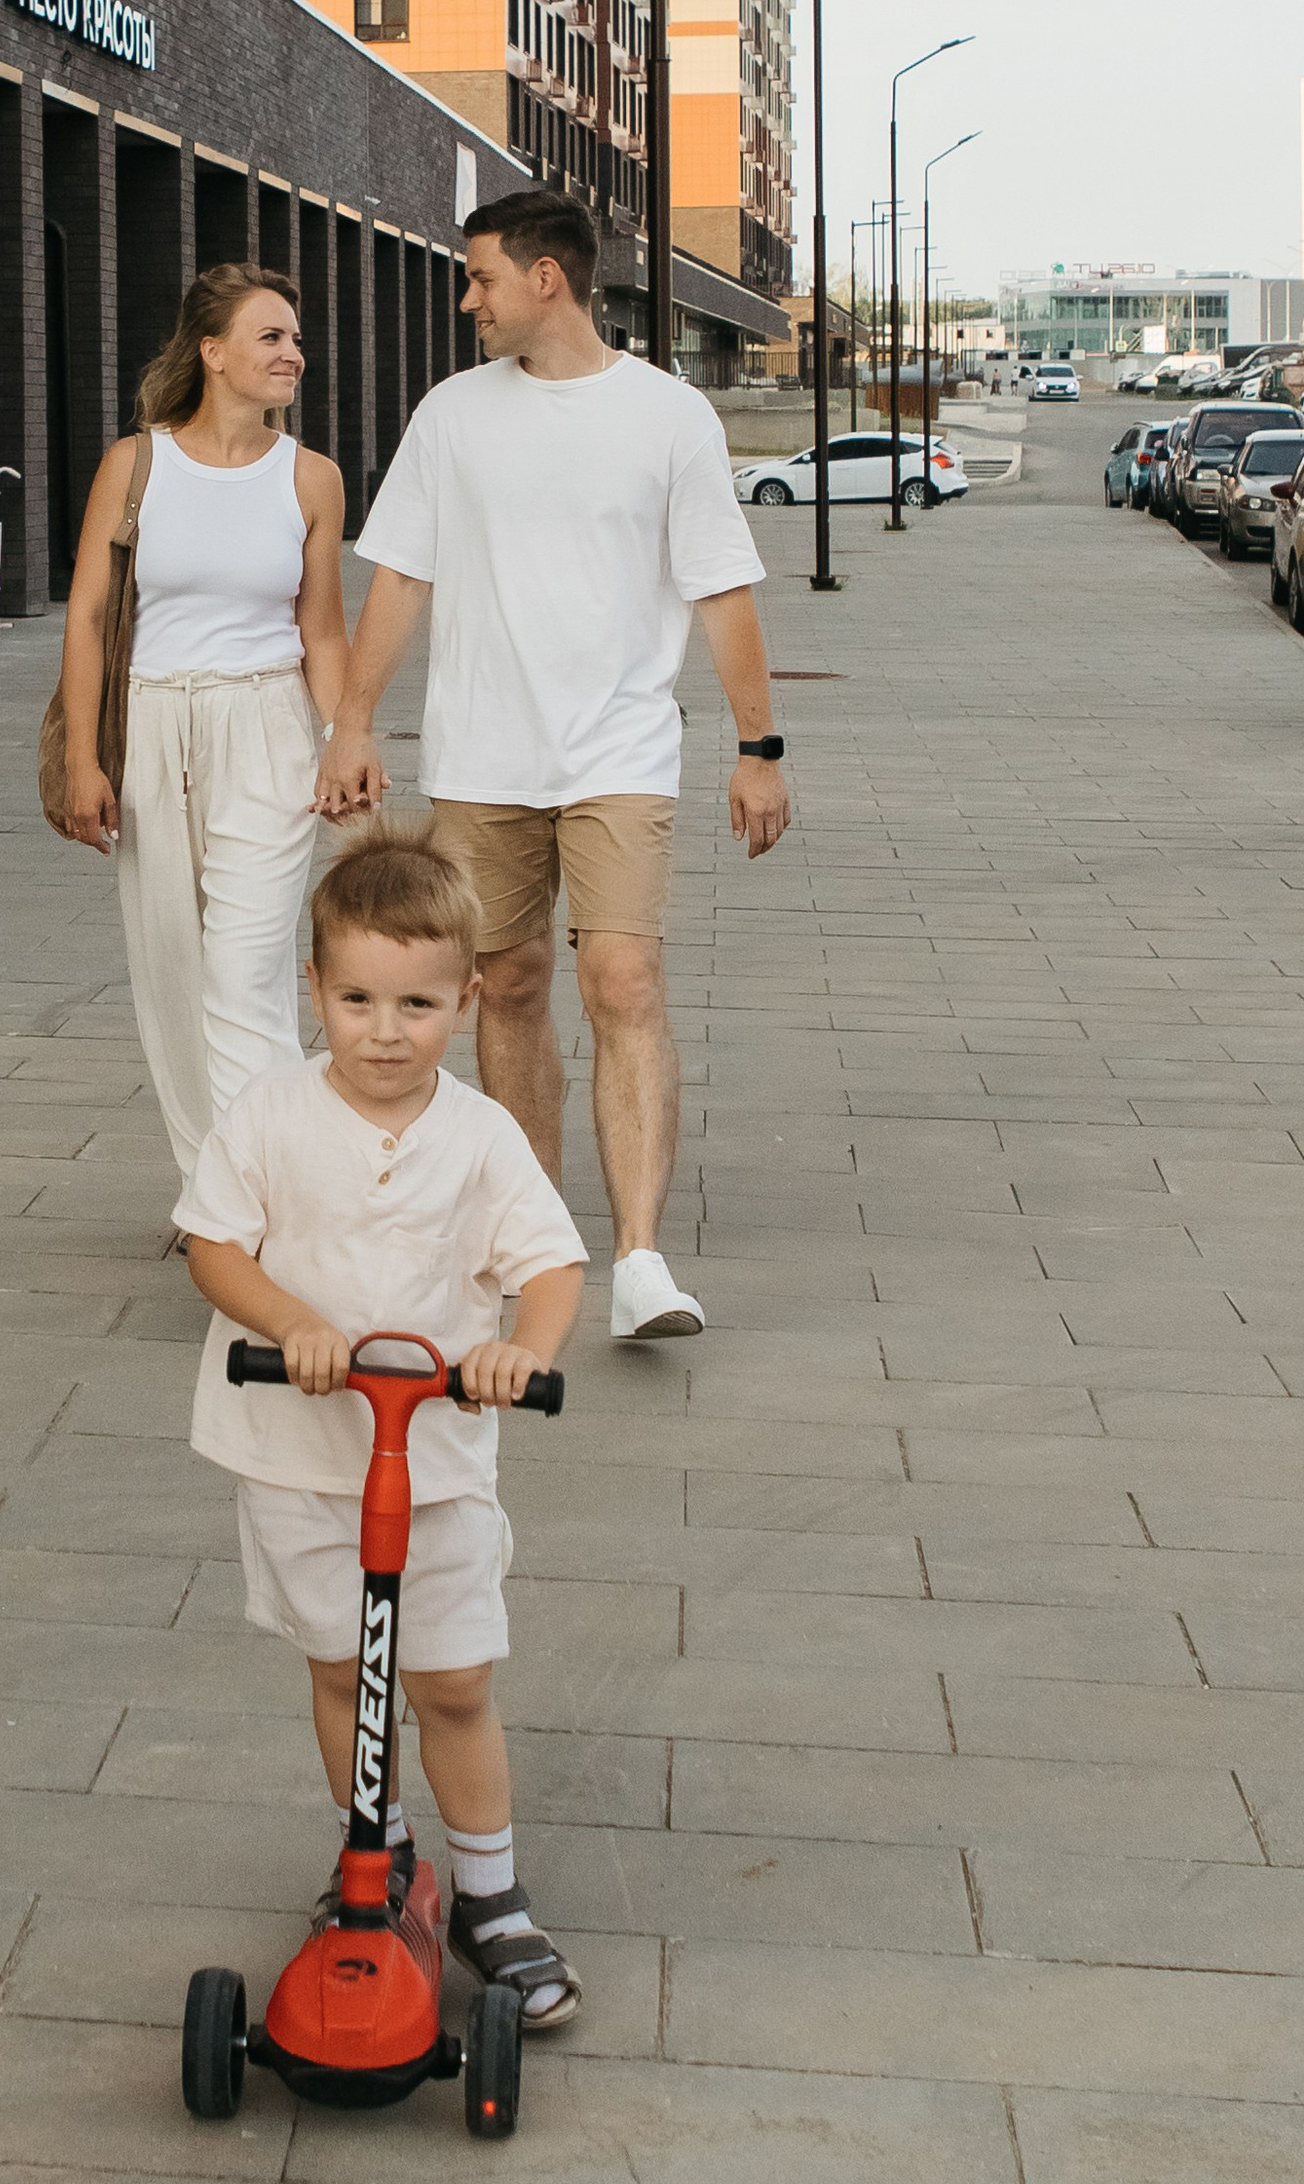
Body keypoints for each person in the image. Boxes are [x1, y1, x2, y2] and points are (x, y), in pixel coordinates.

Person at [317, 186, 790, 1342]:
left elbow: (719, 589)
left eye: (479, 278)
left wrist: (758, 746)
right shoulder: (450, 415)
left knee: (621, 982)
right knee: (510, 985)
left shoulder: (670, 417)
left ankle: (636, 1261)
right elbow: (403, 579)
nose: (465, 300)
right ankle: (534, 1238)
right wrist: (353, 720)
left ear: (547, 279)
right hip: (483, 755)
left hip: (620, 753)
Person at [179, 816, 588, 2025]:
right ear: (314, 991)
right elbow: (212, 1244)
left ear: (463, 1001)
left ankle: (489, 1896)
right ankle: (377, 1854)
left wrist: (522, 1350)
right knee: (341, 1670)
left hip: (437, 1462)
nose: (384, 1031)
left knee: (450, 1680)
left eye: (415, 1006)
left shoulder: (480, 1136)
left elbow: (552, 1264)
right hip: (300, 1459)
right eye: (356, 1000)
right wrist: (291, 1318)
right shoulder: (268, 1115)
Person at [57, 266, 349, 1185]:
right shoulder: (135, 464)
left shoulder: (312, 478)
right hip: (152, 727)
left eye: (296, 339)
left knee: (249, 968)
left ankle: (266, 1187)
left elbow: (322, 629)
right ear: (213, 353)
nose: (292, 353)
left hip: (269, 724)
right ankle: (209, 1176)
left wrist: (350, 736)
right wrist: (81, 758)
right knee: (173, 969)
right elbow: (89, 616)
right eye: (271, 337)